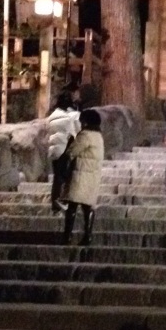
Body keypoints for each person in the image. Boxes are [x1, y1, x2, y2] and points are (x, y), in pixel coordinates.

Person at [63, 108, 104, 247]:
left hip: (80, 175)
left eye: (82, 121)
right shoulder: (98, 137)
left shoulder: (85, 135)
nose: (80, 123)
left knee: (72, 206)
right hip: (92, 176)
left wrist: (70, 141)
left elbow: (72, 151)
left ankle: (67, 236)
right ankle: (88, 236)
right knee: (87, 207)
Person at [47, 91, 81, 210]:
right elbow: (77, 130)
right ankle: (64, 200)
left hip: (54, 150)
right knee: (67, 175)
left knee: (57, 176)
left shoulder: (52, 116)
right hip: (66, 148)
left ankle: (55, 201)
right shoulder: (71, 116)